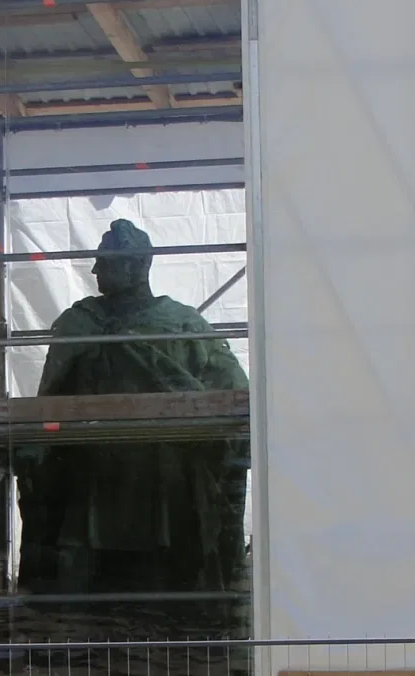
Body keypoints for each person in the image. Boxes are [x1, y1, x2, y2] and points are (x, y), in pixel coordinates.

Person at [16, 219, 249, 603]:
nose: (94, 272)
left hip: (162, 498)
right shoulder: (80, 324)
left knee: (158, 601)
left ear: (138, 266)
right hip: (92, 494)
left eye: (104, 263)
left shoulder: (182, 324)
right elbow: (49, 407)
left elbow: (236, 399)